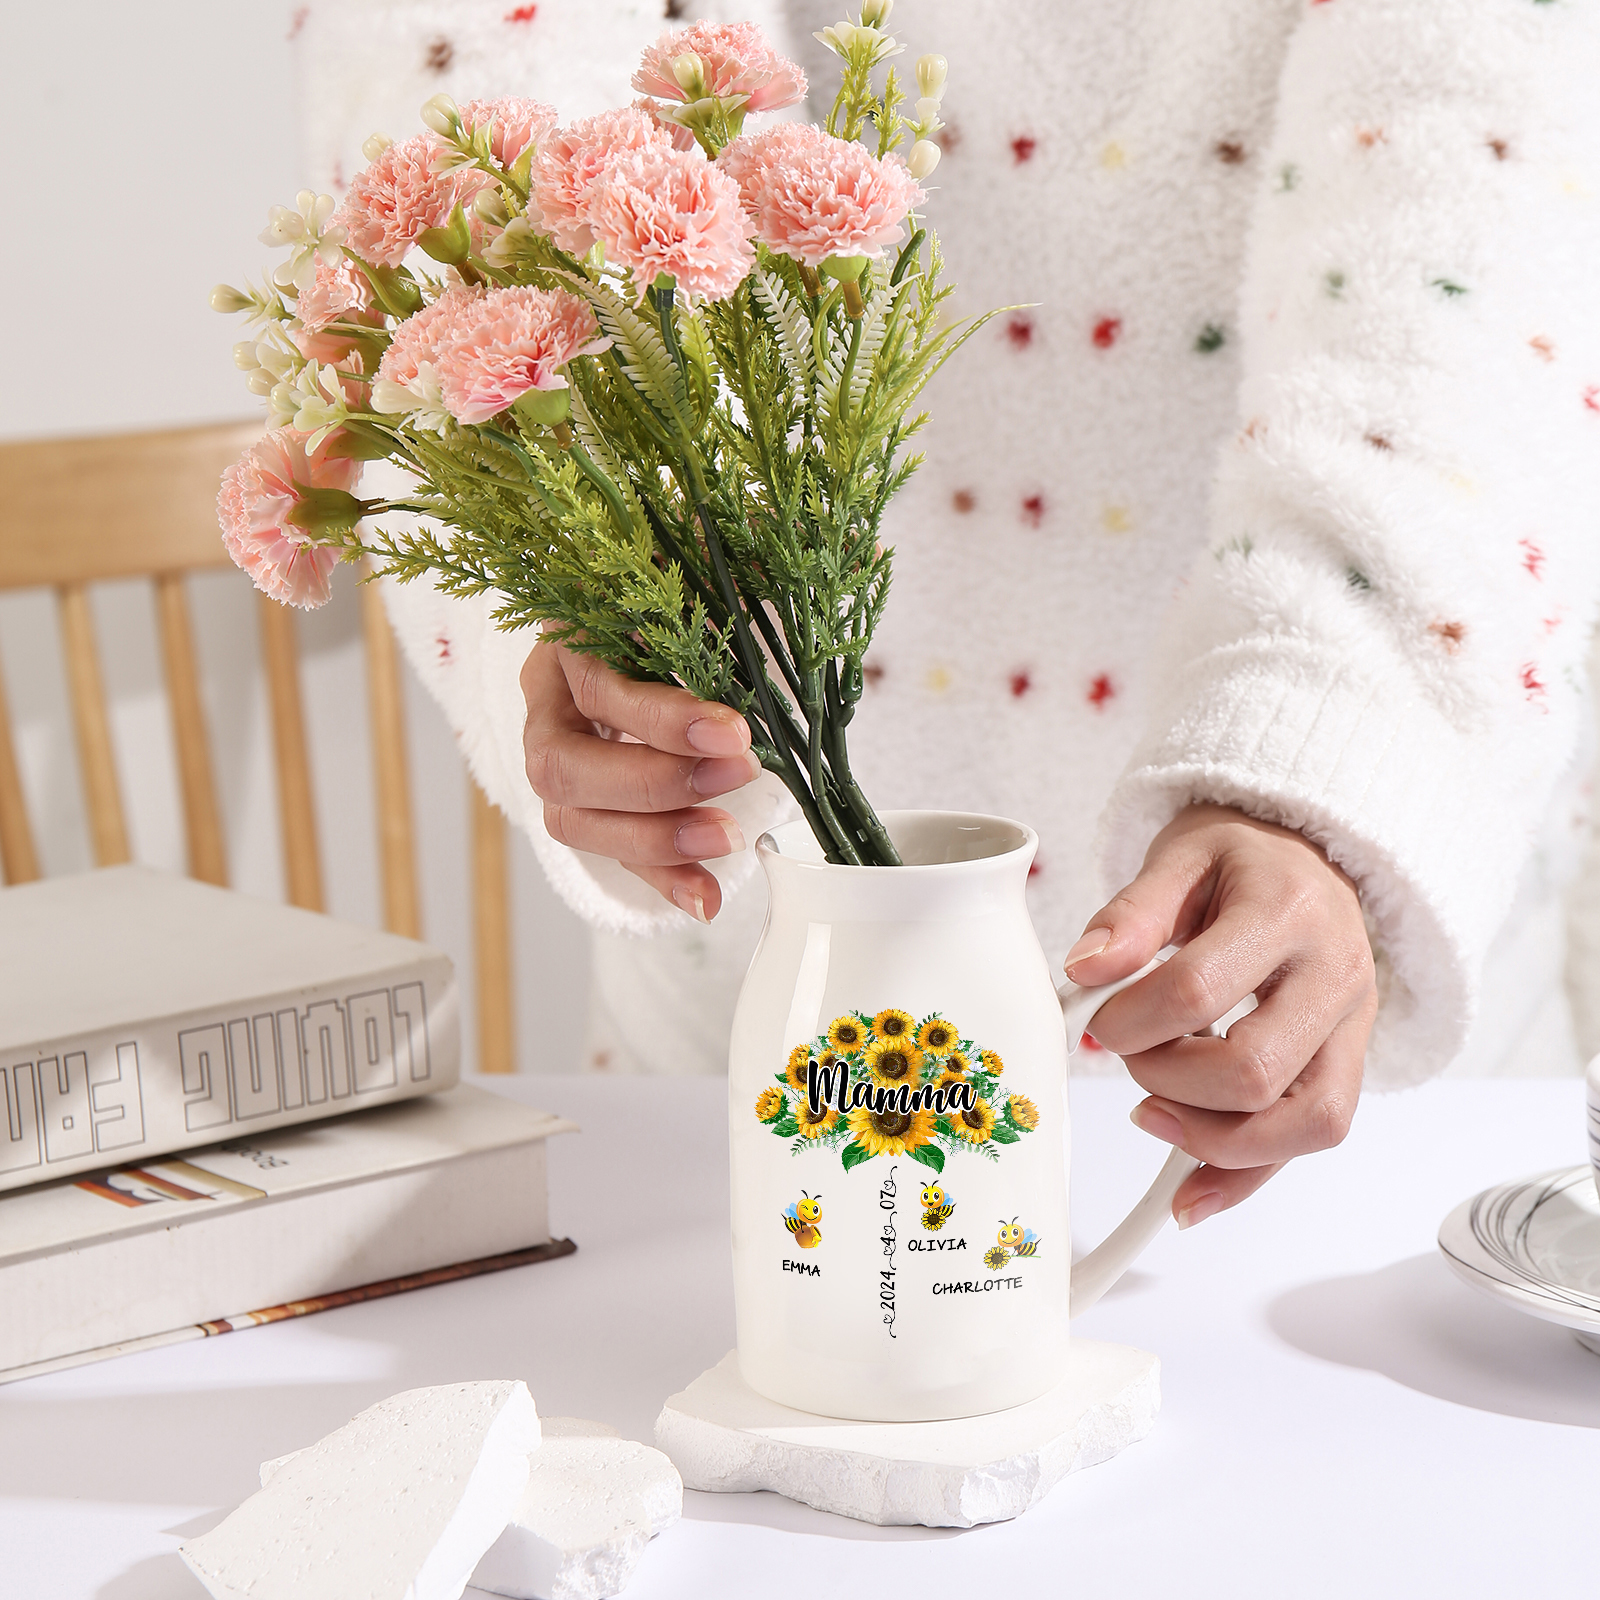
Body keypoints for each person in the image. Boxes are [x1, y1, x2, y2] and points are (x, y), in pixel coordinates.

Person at [298, 0, 1600, 1227]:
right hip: (741, 992)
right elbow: (461, 91)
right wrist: (602, 569)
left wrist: (1322, 753)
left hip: (1338, 1026)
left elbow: (1481, 207)